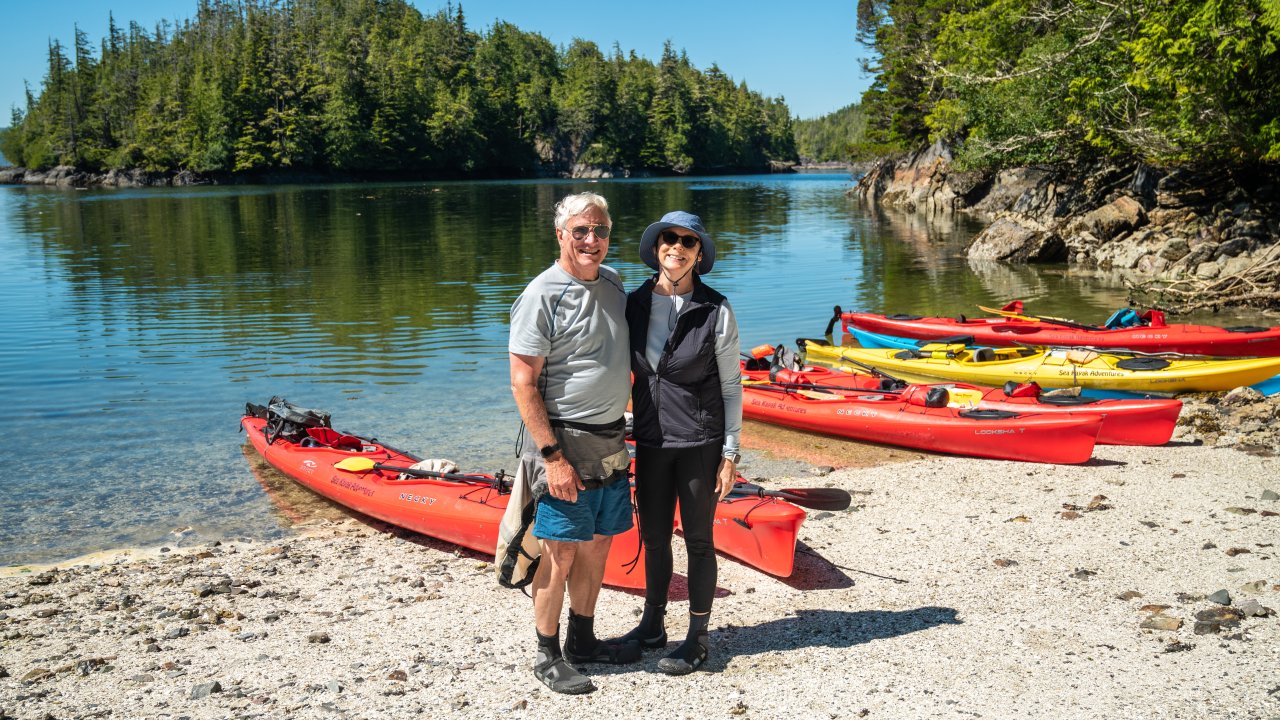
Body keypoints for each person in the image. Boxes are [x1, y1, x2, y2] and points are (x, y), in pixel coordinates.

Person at [508, 191, 641, 695]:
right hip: (561, 442)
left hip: (610, 439)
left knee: (597, 545)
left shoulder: (612, 283)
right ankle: (547, 653)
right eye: (581, 230)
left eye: (601, 230)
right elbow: (523, 383)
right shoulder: (542, 294)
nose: (592, 240)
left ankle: (583, 640)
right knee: (560, 551)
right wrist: (551, 457)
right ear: (560, 234)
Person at [621, 210, 742, 675]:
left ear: (698, 254)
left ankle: (697, 637)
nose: (676, 247)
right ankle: (653, 625)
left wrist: (730, 453)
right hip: (650, 442)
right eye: (668, 239)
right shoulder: (632, 303)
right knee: (653, 536)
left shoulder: (716, 309)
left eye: (687, 242)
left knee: (698, 540)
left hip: (700, 442)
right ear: (656, 248)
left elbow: (732, 387)